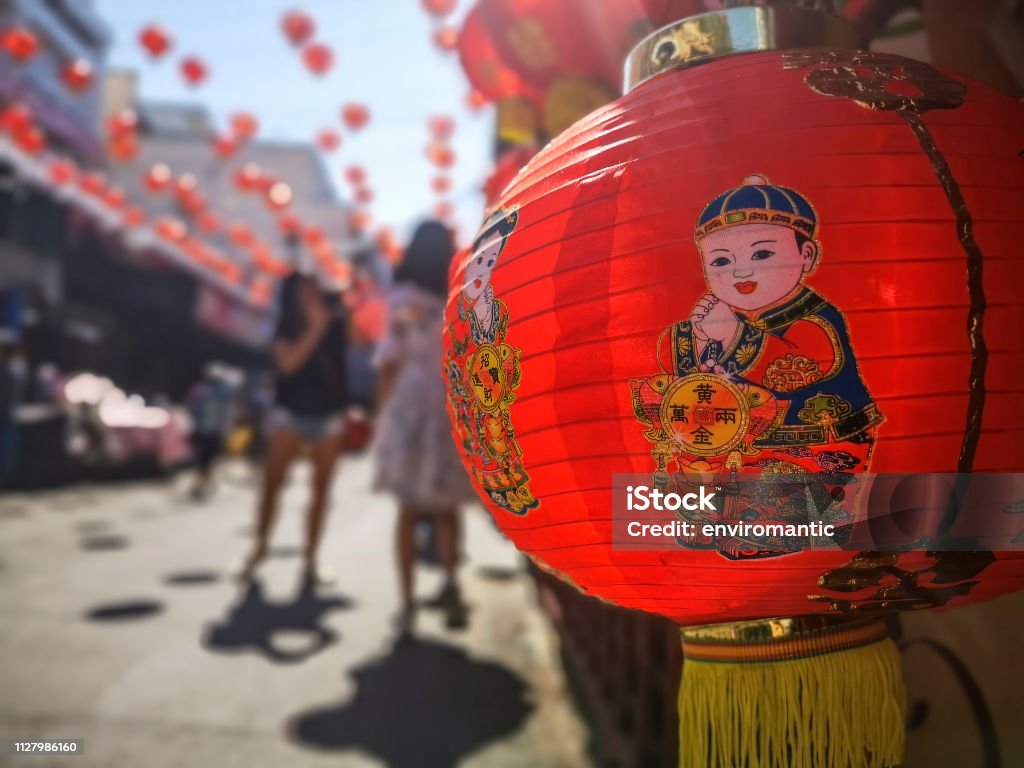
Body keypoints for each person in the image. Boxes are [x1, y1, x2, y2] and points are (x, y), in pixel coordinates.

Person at [373, 220, 477, 634]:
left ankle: (408, 604)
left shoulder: (403, 299)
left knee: (408, 508)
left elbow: (390, 359)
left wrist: (381, 412)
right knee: (447, 507)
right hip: (451, 406)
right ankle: (451, 583)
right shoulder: (462, 295)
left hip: (410, 406)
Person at [238, 272, 350, 585]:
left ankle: (311, 560)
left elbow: (363, 340)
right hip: (289, 412)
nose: (314, 288)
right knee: (272, 484)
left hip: (330, 414)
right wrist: (316, 327)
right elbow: (287, 364)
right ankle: (258, 549)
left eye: (317, 282)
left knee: (321, 491)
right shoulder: (286, 325)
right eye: (306, 284)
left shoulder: (340, 316)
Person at [186, 363, 238, 501]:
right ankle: (202, 483)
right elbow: (192, 410)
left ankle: (203, 483)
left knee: (208, 459)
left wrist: (226, 430)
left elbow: (228, 413)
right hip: (204, 430)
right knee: (203, 459)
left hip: (214, 431)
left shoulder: (225, 392)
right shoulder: (200, 390)